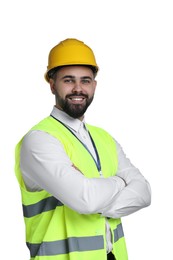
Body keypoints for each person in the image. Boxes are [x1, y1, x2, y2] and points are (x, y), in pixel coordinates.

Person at [15, 38, 151, 260]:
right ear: (52, 84)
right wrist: (119, 182)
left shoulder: (105, 138)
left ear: (94, 86)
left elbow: (144, 193)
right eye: (68, 80)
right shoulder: (39, 140)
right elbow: (85, 199)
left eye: (85, 81)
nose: (78, 88)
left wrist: (95, 195)